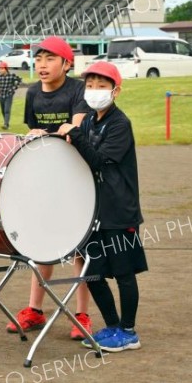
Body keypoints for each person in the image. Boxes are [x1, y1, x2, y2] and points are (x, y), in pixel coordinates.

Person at [57, 61, 147, 352]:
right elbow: (77, 144)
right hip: (95, 211)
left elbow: (97, 159)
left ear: (115, 91)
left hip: (119, 212)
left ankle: (129, 332)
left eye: (102, 86)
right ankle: (112, 326)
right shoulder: (90, 122)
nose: (94, 91)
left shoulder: (120, 124)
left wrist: (76, 133)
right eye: (90, 85)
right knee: (92, 273)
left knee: (123, 273)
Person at [8, 36, 92, 340]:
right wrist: (33, 133)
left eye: (50, 59)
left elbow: (76, 129)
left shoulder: (77, 90)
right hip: (46, 179)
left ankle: (82, 315)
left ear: (66, 64)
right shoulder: (32, 93)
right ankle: (35, 310)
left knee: (79, 250)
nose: (42, 65)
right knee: (41, 244)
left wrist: (52, 134)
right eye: (39, 59)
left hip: (75, 177)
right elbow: (31, 130)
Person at [0, 60, 22, 130]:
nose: (0, 70)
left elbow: (19, 80)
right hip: (1, 95)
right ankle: (7, 124)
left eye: (2, 68)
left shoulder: (11, 76)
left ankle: (5, 124)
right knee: (3, 110)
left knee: (6, 110)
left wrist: (13, 88)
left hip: (9, 95)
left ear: (6, 69)